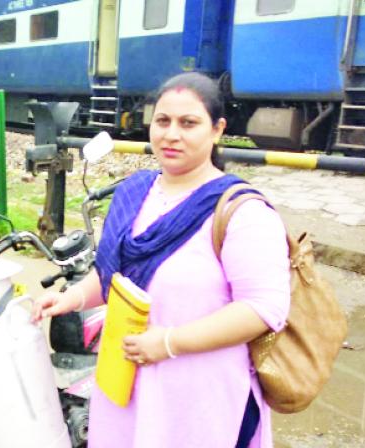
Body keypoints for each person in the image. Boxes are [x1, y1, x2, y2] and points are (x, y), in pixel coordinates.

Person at [33, 72, 291, 447]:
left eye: (188, 123)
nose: (171, 135)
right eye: (163, 121)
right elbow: (115, 275)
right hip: (125, 379)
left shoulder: (241, 212)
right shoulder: (135, 192)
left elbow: (264, 309)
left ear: (217, 130)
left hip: (197, 392)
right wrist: (71, 299)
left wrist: (170, 342)